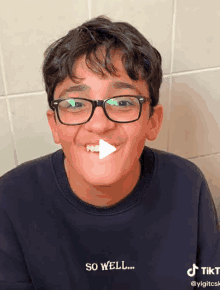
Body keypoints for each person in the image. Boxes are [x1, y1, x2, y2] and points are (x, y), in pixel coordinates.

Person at [0, 15, 219, 290]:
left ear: (153, 120)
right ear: (54, 124)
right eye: (75, 103)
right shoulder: (9, 200)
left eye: (123, 101)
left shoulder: (187, 184)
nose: (99, 124)